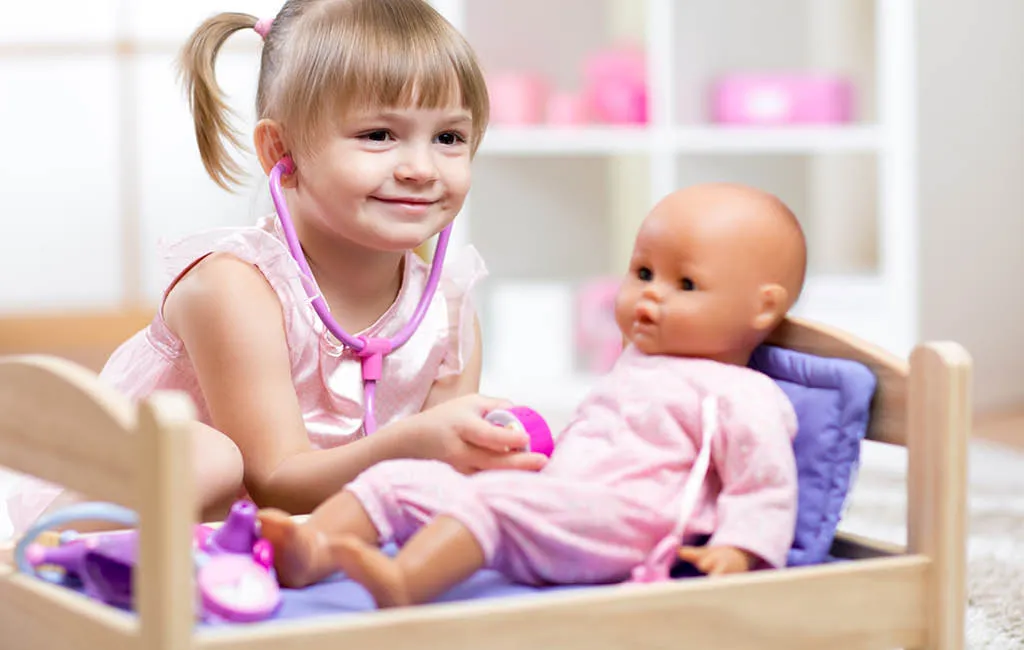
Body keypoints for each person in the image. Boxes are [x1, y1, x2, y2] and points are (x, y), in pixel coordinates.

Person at [2, 0, 547, 539]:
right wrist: (417, 443)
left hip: (298, 539)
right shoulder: (234, 286)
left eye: (449, 138)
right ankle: (52, 556)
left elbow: (437, 481)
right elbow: (276, 483)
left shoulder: (448, 312)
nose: (420, 168)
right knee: (205, 457)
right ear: (281, 150)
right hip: (177, 514)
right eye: (378, 135)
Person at [255, 182, 810, 608]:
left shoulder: (742, 394)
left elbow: (764, 483)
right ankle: (311, 552)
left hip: (627, 526)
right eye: (642, 272)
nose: (649, 296)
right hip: (559, 501)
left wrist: (741, 548)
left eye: (684, 285)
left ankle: (404, 583)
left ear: (762, 308)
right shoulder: (640, 365)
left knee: (495, 502)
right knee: (404, 478)